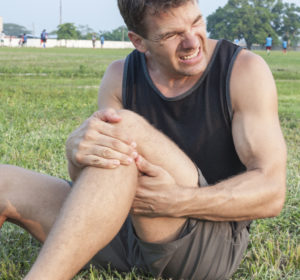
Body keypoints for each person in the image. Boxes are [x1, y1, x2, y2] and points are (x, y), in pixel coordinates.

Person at [0, 1, 287, 279]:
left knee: (124, 126)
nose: (191, 42)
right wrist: (76, 154)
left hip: (206, 242)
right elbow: (96, 183)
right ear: (139, 41)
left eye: (196, 22)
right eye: (171, 34)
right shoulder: (119, 75)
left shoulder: (243, 70)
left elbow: (272, 192)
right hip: (122, 229)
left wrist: (177, 202)